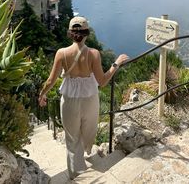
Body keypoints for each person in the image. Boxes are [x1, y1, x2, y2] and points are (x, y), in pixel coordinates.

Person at [38, 16, 129, 180]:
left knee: (71, 137)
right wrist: (116, 63)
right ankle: (88, 149)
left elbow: (51, 80)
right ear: (87, 33)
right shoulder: (93, 54)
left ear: (70, 33)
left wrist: (42, 94)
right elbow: (102, 81)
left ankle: (76, 175)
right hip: (90, 99)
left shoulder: (61, 53)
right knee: (89, 129)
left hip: (69, 99)